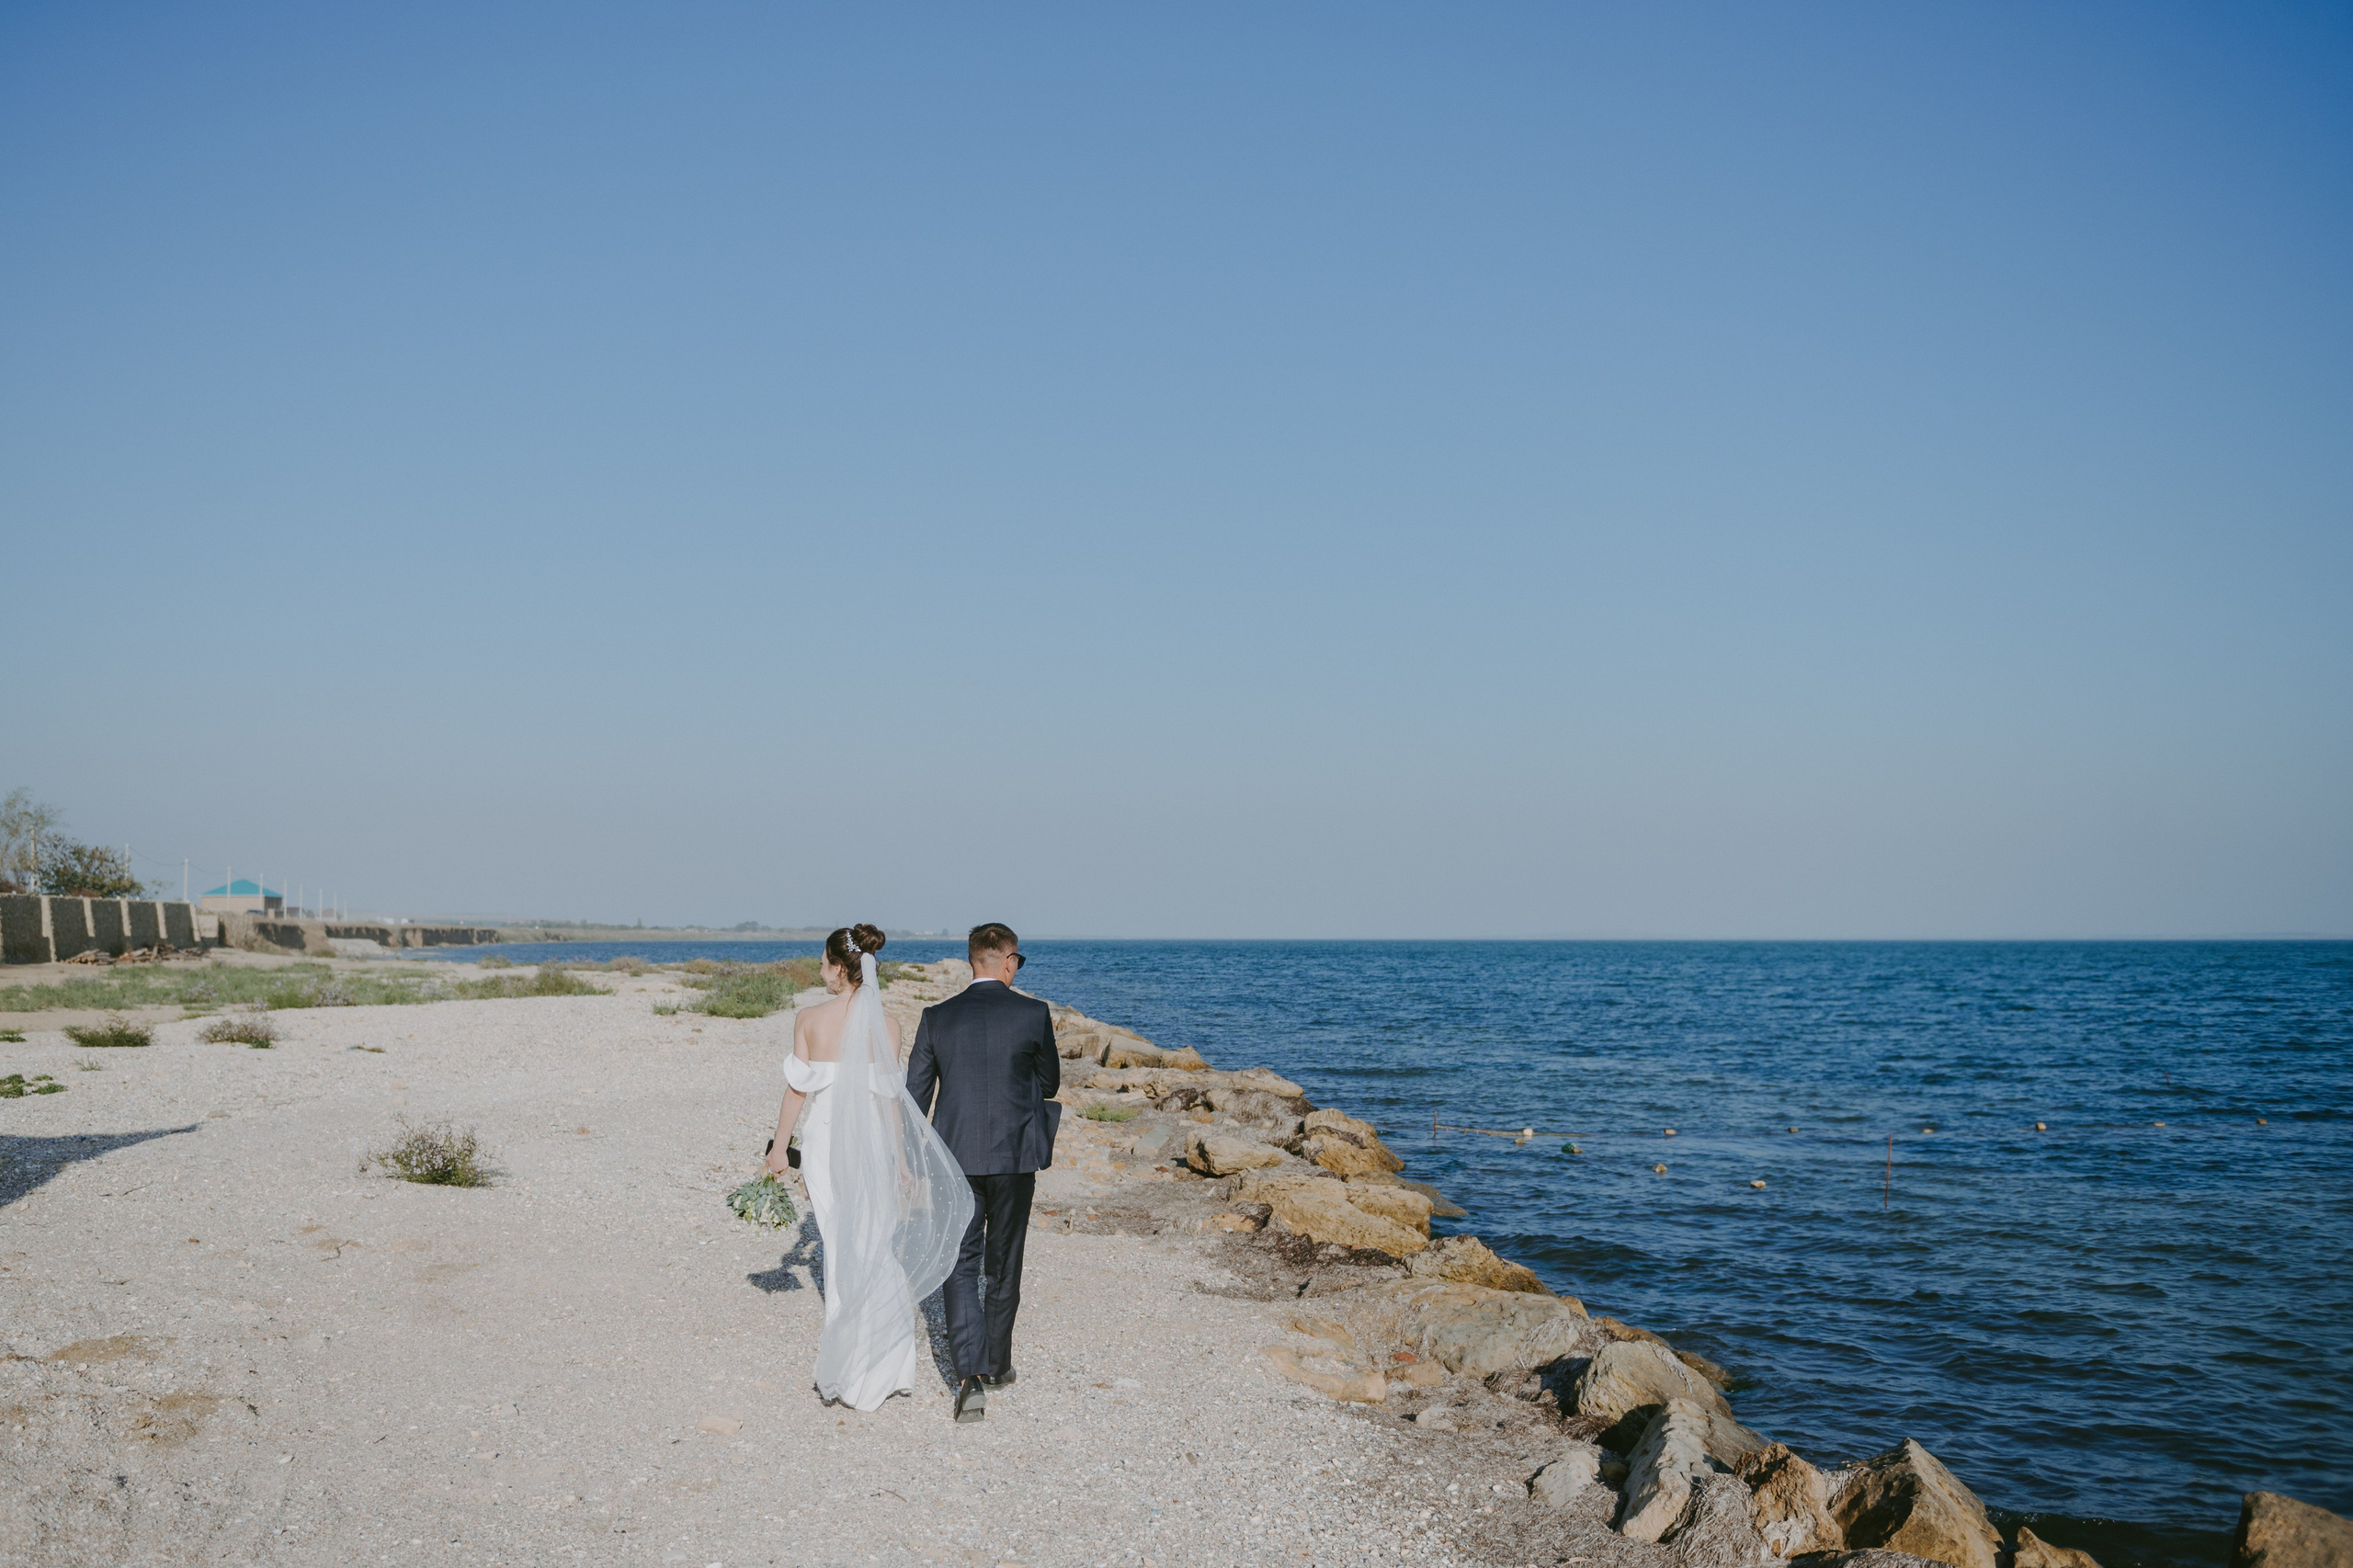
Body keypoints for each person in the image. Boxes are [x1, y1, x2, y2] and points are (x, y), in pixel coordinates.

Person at [765, 925, 972, 1412]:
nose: (820, 970)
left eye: (823, 962)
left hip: (826, 1138)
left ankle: (847, 1362)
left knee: (839, 1244)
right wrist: (900, 1160)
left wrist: (778, 1149)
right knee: (876, 1241)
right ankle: (885, 1361)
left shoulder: (809, 1018)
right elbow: (889, 1103)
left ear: (840, 968)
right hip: (873, 1143)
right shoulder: (890, 1024)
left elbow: (797, 1091)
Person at [904, 922, 1060, 1425]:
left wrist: (911, 1162)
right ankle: (997, 1364)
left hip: (955, 1158)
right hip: (1015, 1157)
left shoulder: (936, 1017)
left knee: (959, 1261)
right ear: (1008, 961)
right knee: (1004, 1261)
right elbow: (1051, 1082)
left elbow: (914, 1098)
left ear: (973, 962)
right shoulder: (1033, 1014)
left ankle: (967, 1376)